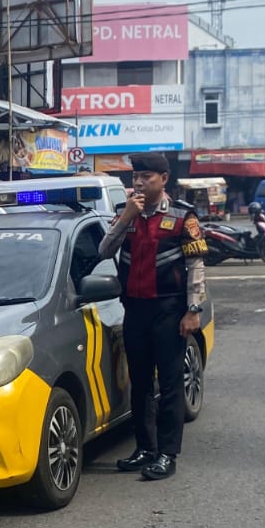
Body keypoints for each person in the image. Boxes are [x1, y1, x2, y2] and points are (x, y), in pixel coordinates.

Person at [97, 153, 209, 481]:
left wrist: (192, 310)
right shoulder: (125, 213)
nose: (140, 183)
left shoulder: (182, 217)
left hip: (170, 310)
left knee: (171, 383)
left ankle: (167, 454)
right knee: (140, 381)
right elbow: (104, 251)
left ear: (163, 179)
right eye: (136, 177)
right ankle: (145, 448)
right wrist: (127, 216)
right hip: (134, 309)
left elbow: (195, 267)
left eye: (146, 177)